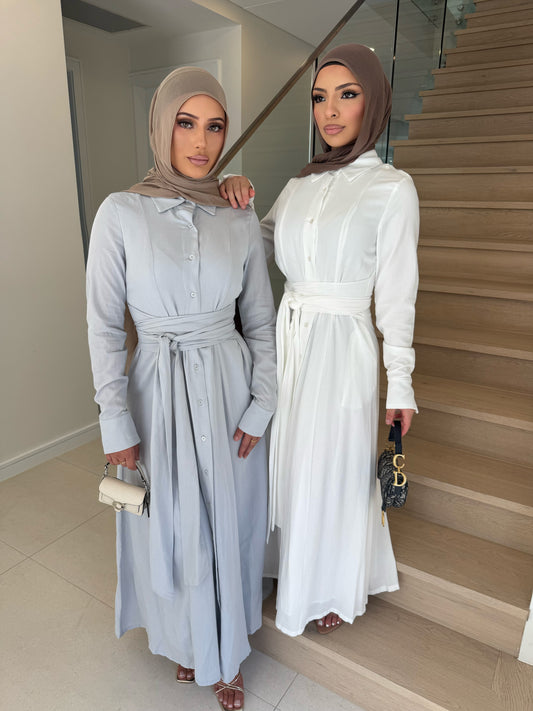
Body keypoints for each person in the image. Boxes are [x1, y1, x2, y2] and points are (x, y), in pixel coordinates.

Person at [86, 66, 276, 710]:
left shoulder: (237, 214)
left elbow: (260, 319)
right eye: (185, 123)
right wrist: (115, 420)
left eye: (214, 126)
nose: (200, 141)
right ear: (161, 126)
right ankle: (189, 642)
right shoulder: (120, 213)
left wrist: (263, 402)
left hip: (228, 386)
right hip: (156, 390)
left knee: (230, 521)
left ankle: (226, 653)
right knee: (171, 522)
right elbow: (103, 326)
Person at [221, 44, 419, 637]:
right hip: (289, 338)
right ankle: (287, 564)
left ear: (373, 102)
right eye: (319, 97)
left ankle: (332, 582)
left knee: (333, 467)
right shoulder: (299, 184)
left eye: (347, 95)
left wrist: (401, 383)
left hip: (343, 346)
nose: (329, 111)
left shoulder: (392, 188)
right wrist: (233, 194)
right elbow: (255, 245)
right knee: (286, 458)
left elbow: (398, 295)